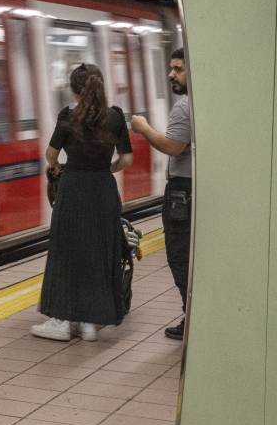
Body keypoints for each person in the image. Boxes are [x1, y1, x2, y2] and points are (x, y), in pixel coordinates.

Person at [32, 63, 134, 342]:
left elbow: (50, 154)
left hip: (74, 188)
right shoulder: (115, 117)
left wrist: (59, 166)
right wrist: (106, 169)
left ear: (74, 89)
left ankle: (62, 321)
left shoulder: (68, 116)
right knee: (99, 251)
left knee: (67, 251)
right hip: (102, 189)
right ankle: (90, 323)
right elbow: (127, 159)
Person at [131, 47, 192, 339]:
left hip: (183, 193)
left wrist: (143, 128)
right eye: (171, 68)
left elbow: (173, 147)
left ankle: (191, 319)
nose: (171, 74)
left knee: (180, 257)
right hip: (195, 189)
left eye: (178, 69)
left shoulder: (184, 107)